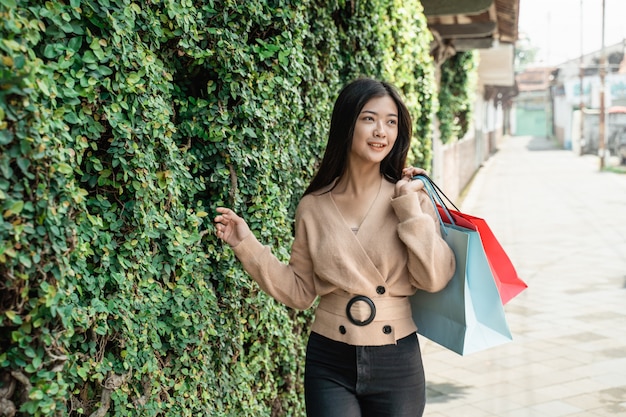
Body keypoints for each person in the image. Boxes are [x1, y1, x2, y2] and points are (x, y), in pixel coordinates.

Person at [214, 78, 455, 417]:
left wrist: (410, 209)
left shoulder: (410, 198)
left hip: (396, 357)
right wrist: (246, 244)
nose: (381, 132)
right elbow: (300, 291)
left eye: (391, 122)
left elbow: (434, 278)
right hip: (329, 357)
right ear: (347, 123)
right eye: (369, 118)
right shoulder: (313, 206)